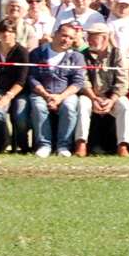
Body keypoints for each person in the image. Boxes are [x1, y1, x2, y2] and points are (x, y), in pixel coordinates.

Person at [27, 21, 88, 157]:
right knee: (39, 107)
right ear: (56, 34)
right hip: (41, 93)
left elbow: (77, 82)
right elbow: (32, 78)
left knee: (70, 107)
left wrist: (60, 97)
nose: (66, 40)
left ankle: (63, 146)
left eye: (71, 38)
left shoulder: (77, 57)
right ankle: (44, 145)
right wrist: (46, 95)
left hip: (65, 94)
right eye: (64, 35)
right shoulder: (38, 53)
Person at [80, 21, 129, 155]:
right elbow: (83, 80)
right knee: (82, 104)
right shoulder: (83, 54)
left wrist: (112, 99)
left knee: (125, 106)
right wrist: (93, 98)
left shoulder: (117, 53)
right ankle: (81, 143)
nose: (89, 39)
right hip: (91, 96)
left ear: (105, 37)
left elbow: (123, 81)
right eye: (89, 35)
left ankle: (123, 144)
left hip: (112, 97)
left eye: (93, 36)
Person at [0, 19, 30, 153]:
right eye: (3, 31)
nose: (7, 35)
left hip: (19, 92)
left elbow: (22, 80)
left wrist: (9, 96)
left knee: (20, 115)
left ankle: (22, 145)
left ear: (15, 34)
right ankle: (1, 144)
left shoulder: (22, 52)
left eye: (10, 32)